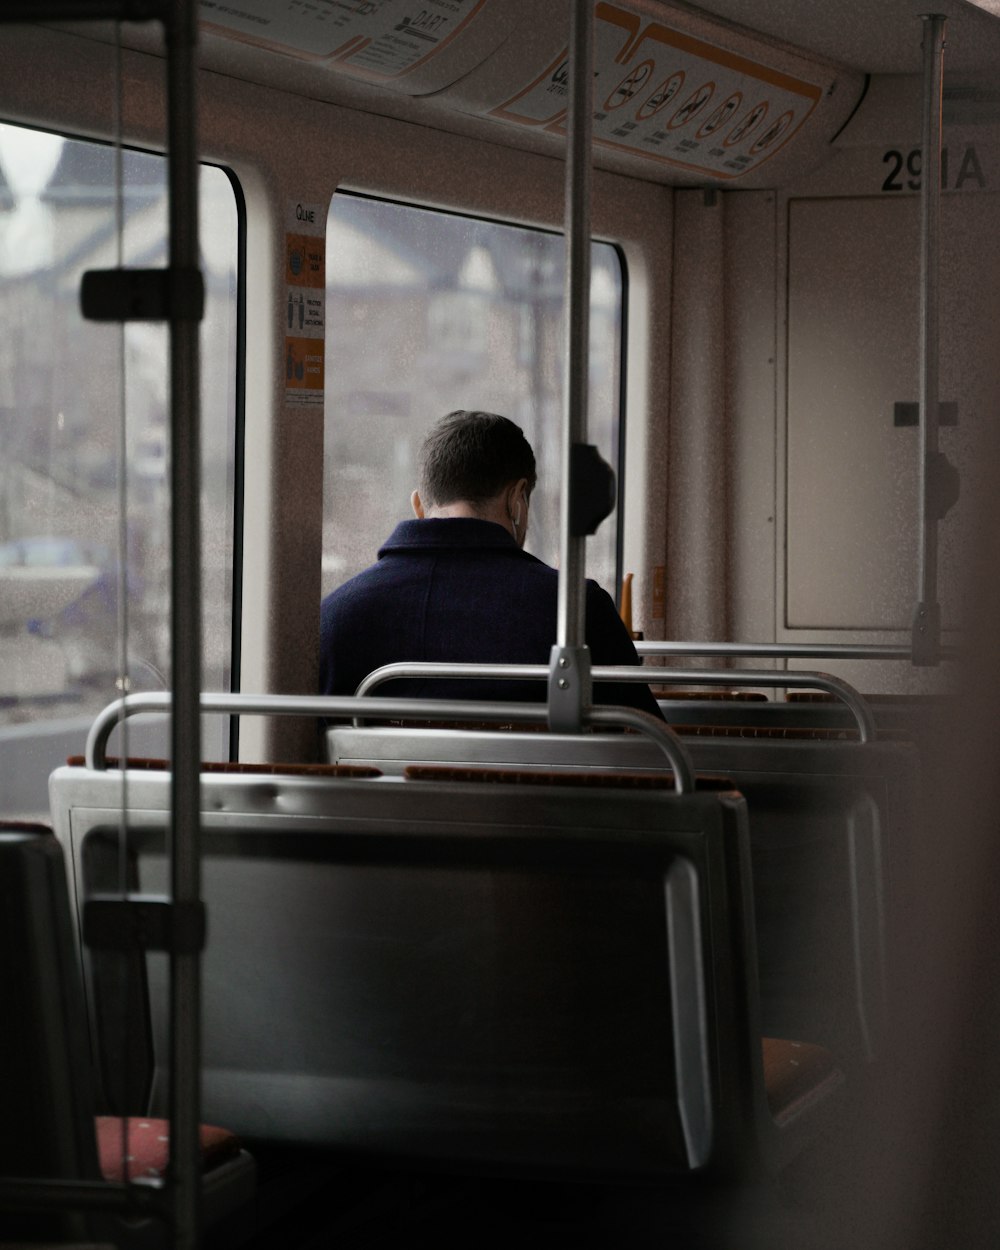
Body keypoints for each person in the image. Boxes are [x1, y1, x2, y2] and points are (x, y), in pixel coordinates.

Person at [319, 409, 662, 718]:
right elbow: (645, 750)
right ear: (516, 499)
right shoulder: (575, 612)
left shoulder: (335, 617)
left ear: (419, 505)